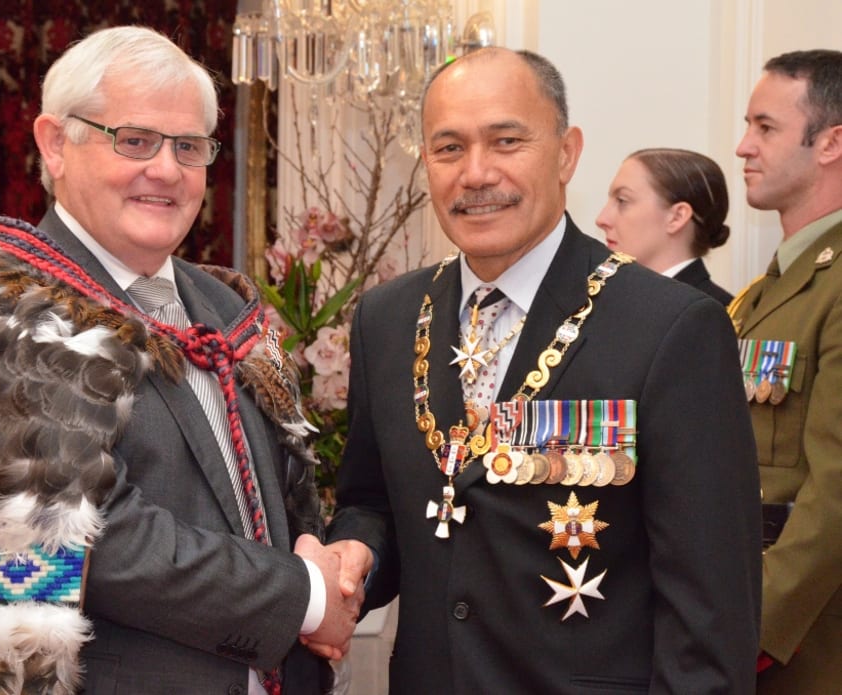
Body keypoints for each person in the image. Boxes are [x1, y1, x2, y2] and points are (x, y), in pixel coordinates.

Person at [0, 25, 359, 695]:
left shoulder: (225, 304)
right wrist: (305, 597)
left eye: (188, 146)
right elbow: (94, 534)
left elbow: (280, 493)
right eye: (133, 140)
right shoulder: (3, 304)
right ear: (55, 144)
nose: (165, 169)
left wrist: (322, 558)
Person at [316, 47, 762, 692]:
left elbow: (712, 603)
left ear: (566, 152)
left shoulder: (670, 327)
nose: (475, 173)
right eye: (448, 149)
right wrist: (358, 551)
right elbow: (370, 500)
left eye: (506, 140)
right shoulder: (387, 317)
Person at [730, 48, 842, 694]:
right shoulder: (767, 291)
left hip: (803, 648)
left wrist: (749, 628)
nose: (744, 145)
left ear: (830, 143)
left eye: (765, 128)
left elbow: (833, 495)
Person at [596, 148, 734, 304]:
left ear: (677, 217)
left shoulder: (714, 315)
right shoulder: (609, 299)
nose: (601, 220)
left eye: (622, 201)